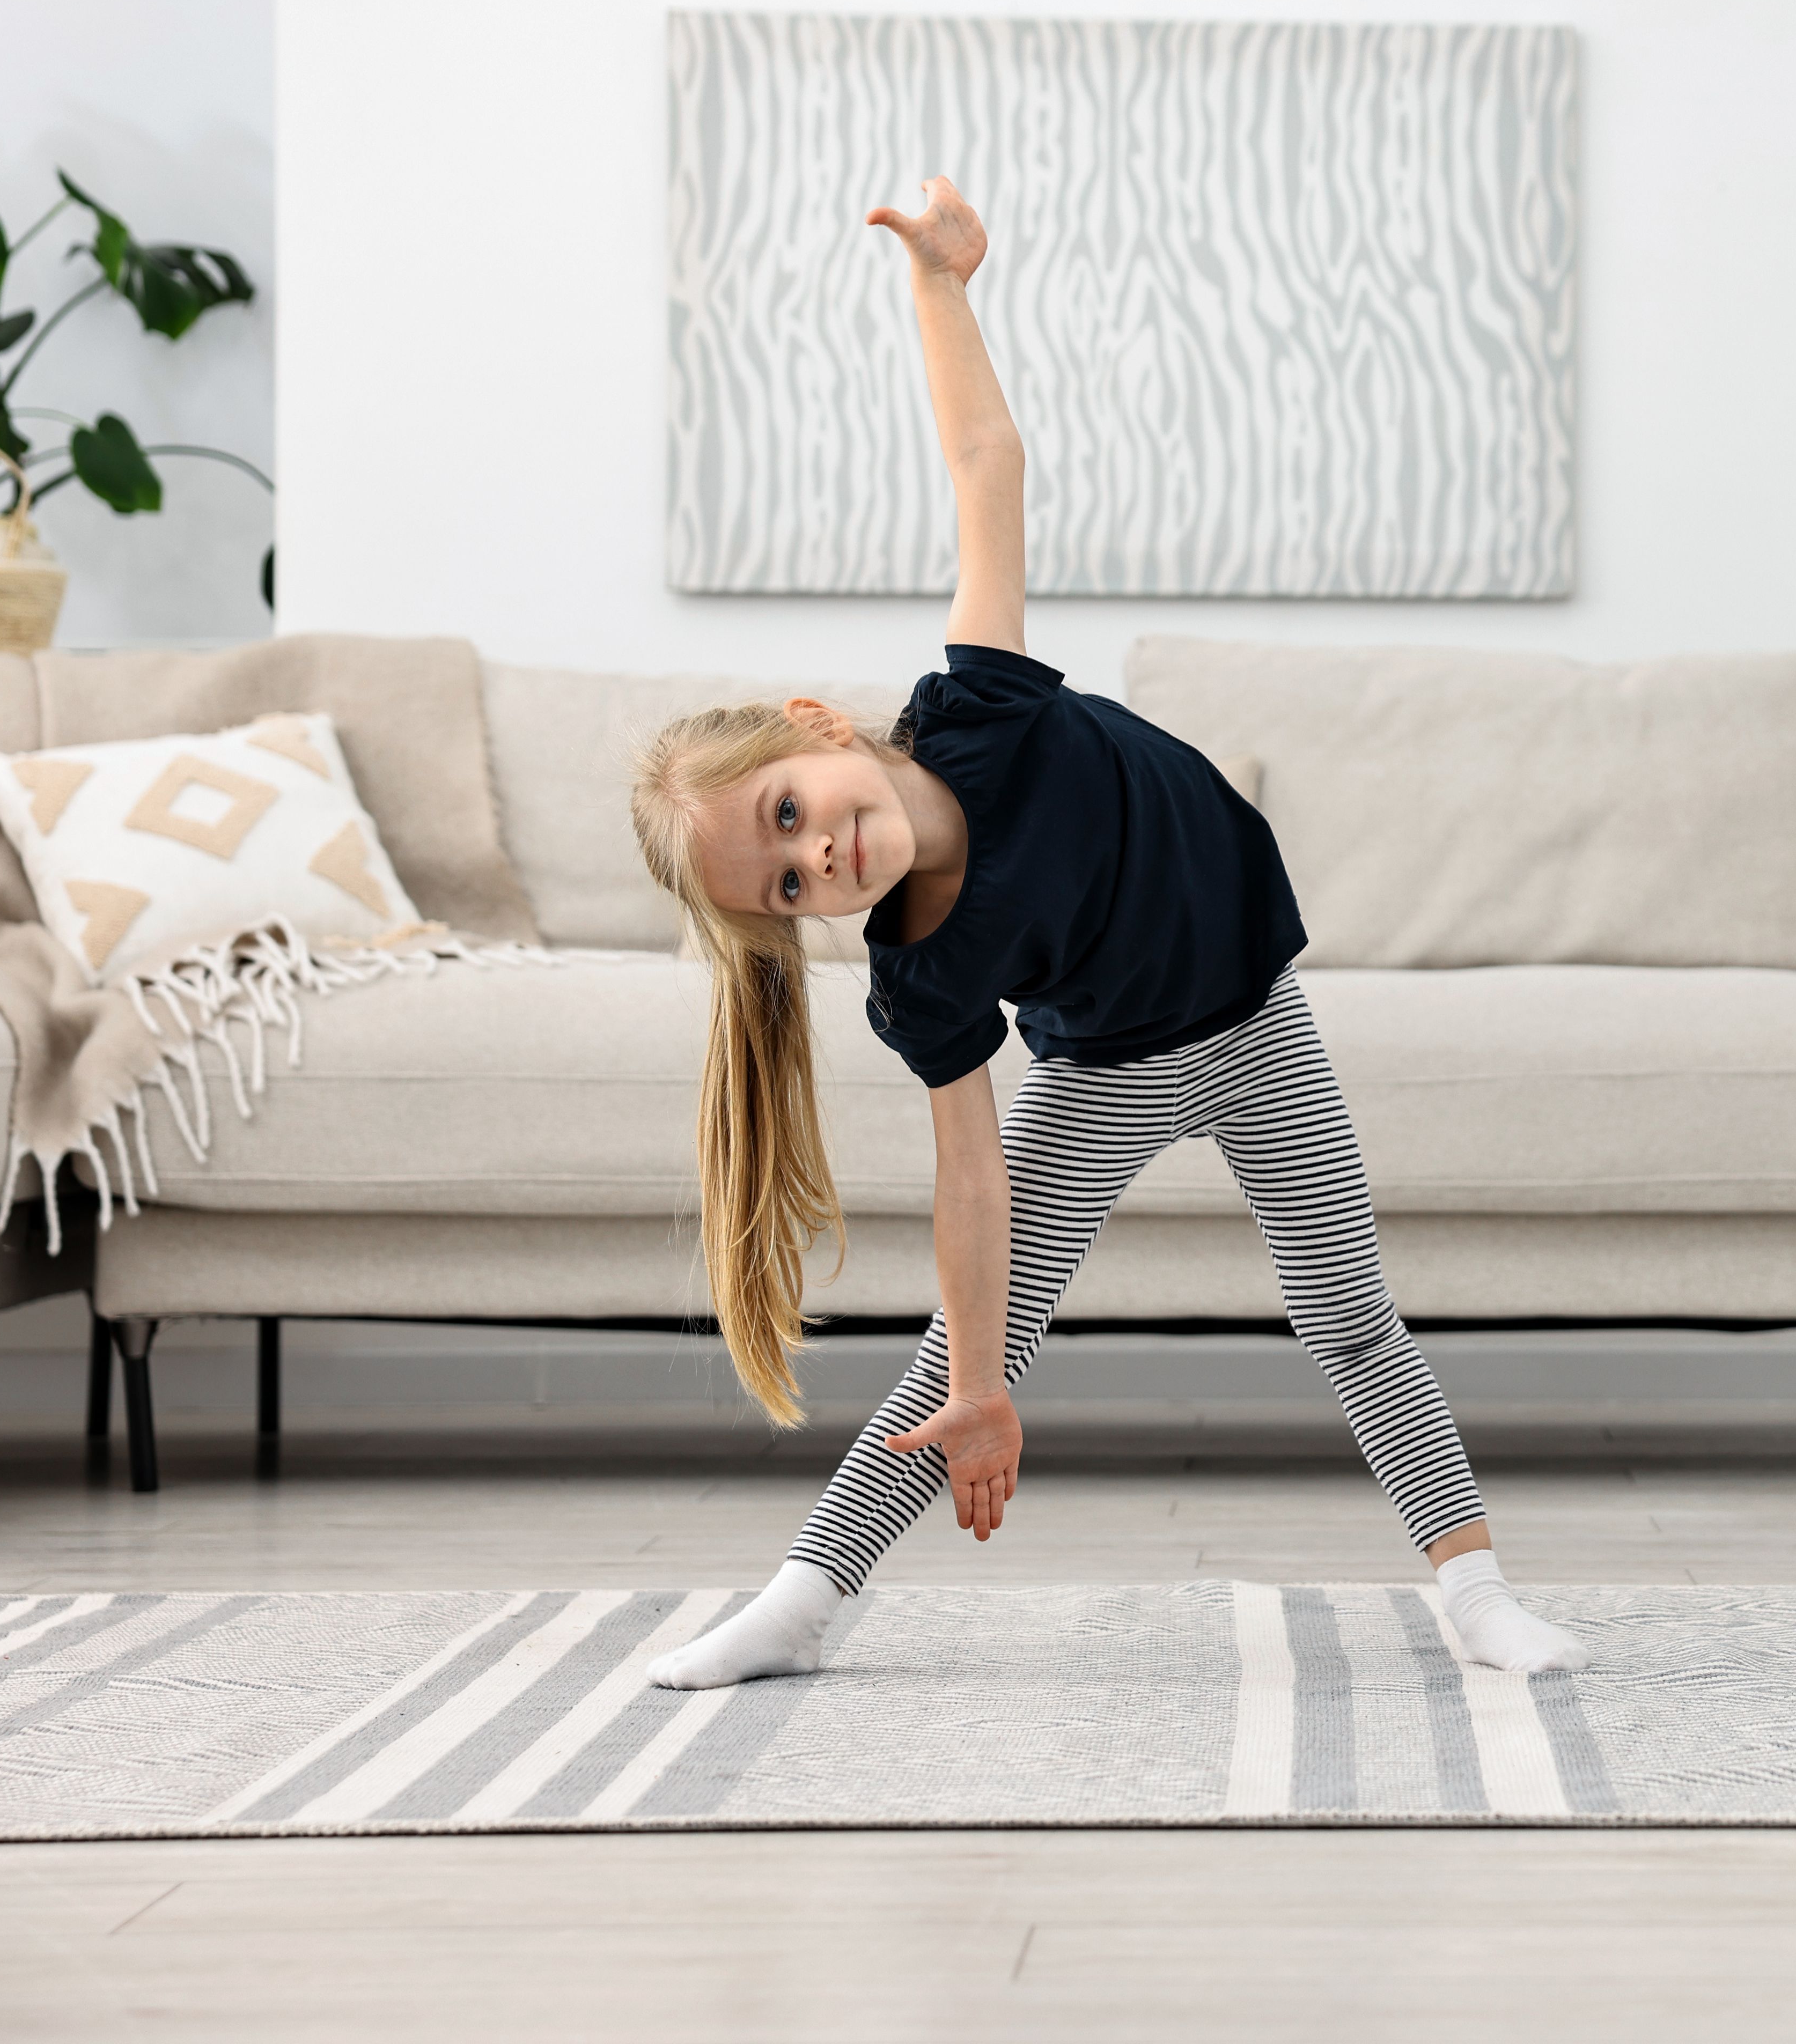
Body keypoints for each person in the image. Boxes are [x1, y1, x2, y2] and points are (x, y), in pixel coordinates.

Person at [625, 176, 1583, 1689]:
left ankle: (1476, 1595)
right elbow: (969, 1179)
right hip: (1108, 1073)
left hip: (1256, 1024)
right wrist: (986, 1387)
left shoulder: (983, 707)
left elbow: (985, 462)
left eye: (793, 814)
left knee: (1349, 1312)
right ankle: (800, 1603)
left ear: (820, 729)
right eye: (789, 886)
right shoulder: (920, 979)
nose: (821, 856)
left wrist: (941, 288)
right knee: (965, 1353)